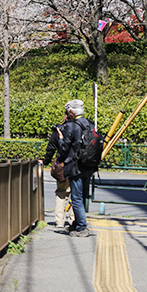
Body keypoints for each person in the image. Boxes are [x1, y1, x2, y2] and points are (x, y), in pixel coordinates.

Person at [57, 99, 97, 237]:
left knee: (76, 197)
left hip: (75, 166)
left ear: (71, 112)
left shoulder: (72, 126)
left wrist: (61, 138)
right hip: (89, 165)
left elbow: (65, 147)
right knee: (82, 196)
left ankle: (82, 227)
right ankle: (76, 224)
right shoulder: (90, 124)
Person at [42, 118, 75, 229]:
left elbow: (51, 147)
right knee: (77, 195)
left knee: (61, 193)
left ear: (66, 116)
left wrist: (46, 161)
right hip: (79, 166)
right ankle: (74, 221)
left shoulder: (60, 129)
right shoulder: (83, 127)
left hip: (63, 165)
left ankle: (60, 221)